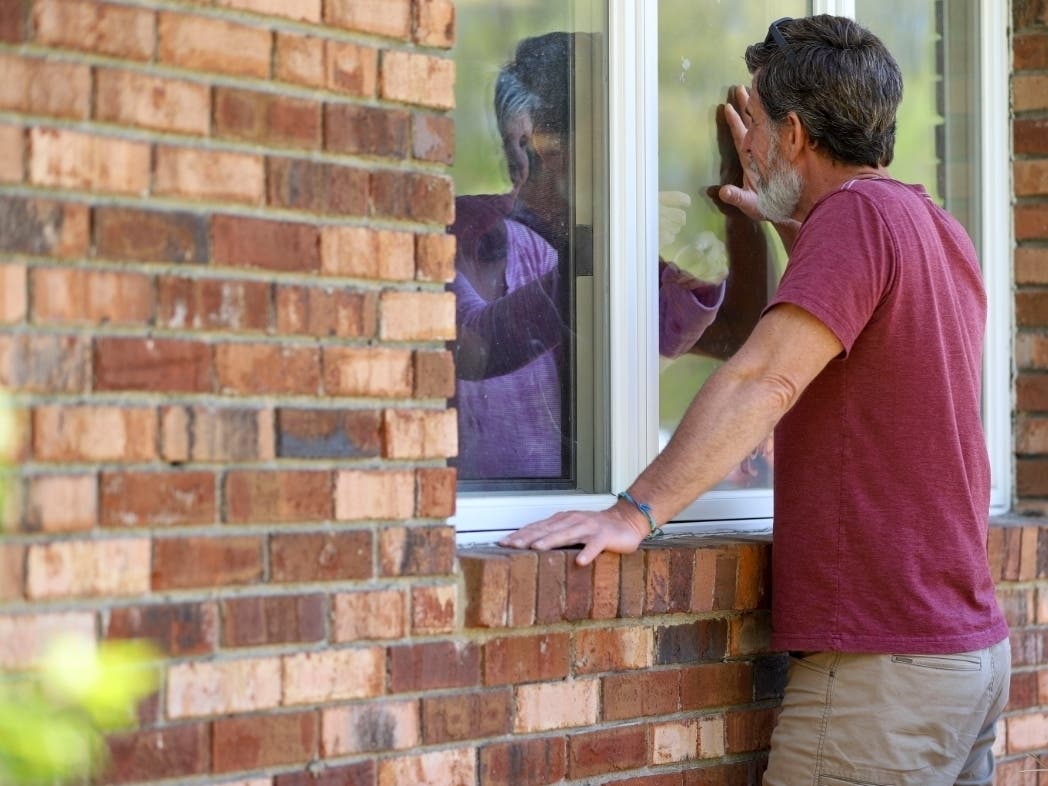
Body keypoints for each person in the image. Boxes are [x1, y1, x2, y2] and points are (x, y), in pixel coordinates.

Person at [501, 15, 1009, 786]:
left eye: (762, 128)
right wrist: (782, 222)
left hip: (885, 674)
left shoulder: (856, 219)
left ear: (796, 134)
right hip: (964, 658)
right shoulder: (933, 227)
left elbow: (764, 378)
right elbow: (845, 344)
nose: (755, 146)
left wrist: (631, 512)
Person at [451, 31, 768, 481]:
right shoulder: (472, 229)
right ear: (539, 142)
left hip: (579, 514)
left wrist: (709, 258)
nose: (634, 154)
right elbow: (474, 345)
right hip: (491, 514)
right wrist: (601, 253)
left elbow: (726, 336)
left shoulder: (602, 240)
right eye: (613, 131)